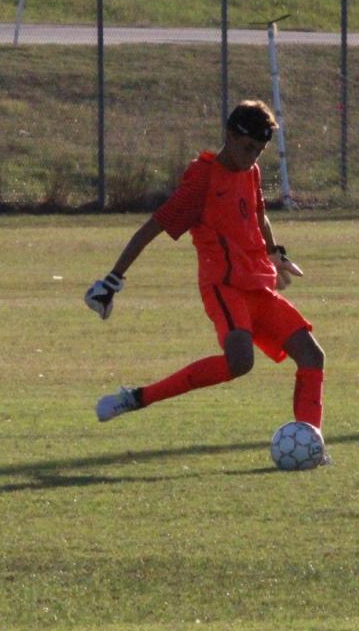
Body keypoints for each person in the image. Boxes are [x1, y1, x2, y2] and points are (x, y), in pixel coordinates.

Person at [84, 99, 326, 454]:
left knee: (312, 355)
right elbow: (155, 225)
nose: (252, 157)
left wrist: (277, 253)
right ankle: (137, 398)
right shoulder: (202, 178)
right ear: (229, 135)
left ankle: (310, 444)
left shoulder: (252, 173)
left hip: (257, 284)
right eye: (247, 148)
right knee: (240, 362)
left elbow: (259, 214)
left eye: (259, 151)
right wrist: (112, 280)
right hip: (224, 287)